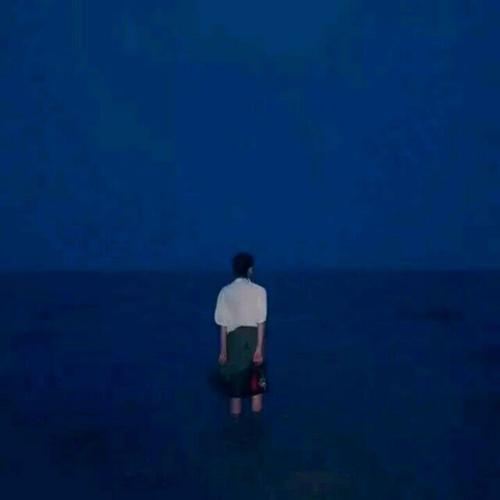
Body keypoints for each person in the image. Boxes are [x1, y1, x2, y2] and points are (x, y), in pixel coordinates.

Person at [214, 252, 267, 417]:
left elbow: (223, 324)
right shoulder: (260, 291)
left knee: (235, 393)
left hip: (233, 343)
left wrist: (223, 352)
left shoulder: (225, 292)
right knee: (256, 391)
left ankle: (235, 428)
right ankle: (256, 427)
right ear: (250, 270)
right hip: (253, 340)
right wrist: (259, 349)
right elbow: (261, 321)